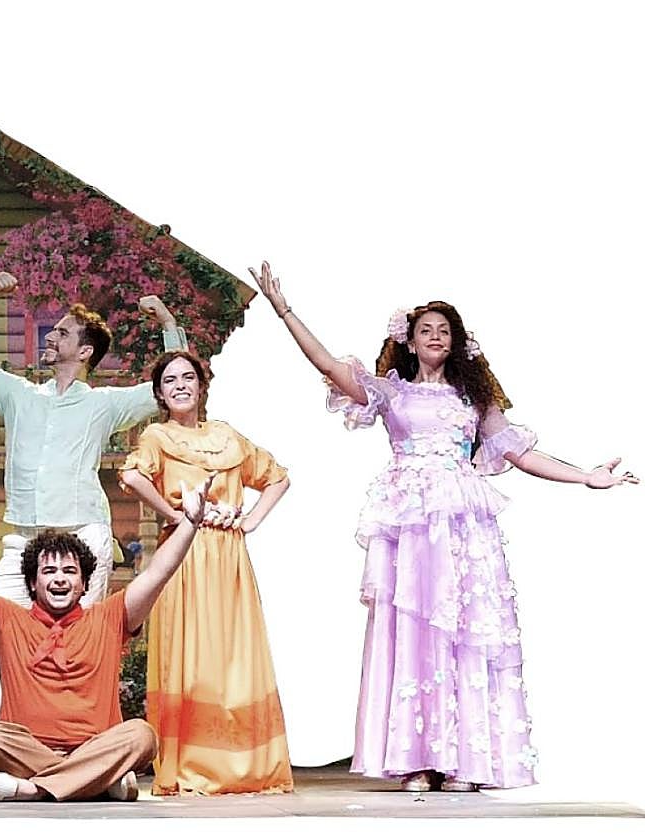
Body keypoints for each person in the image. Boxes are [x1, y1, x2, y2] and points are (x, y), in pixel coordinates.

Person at [253, 261, 638, 791]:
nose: (435, 336)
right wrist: (285, 310)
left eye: (444, 330)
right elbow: (327, 363)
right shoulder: (392, 393)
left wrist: (586, 477)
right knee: (412, 628)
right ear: (409, 343)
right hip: (410, 523)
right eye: (425, 330)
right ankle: (416, 758)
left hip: (462, 525)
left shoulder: (472, 399)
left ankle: (464, 761)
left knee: (465, 628)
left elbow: (521, 453)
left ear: (455, 343)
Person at [0, 270, 188, 720]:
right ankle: (11, 735)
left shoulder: (103, 404)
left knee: (81, 642)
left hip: (83, 536)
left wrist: (169, 323)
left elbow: (168, 388)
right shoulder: (18, 395)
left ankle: (81, 733)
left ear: (85, 351)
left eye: (62, 332)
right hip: (26, 541)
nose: (50, 337)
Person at [0, 473, 213, 802]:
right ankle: (96, 782)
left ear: (84, 584)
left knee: (142, 736)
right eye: (49, 571)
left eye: (70, 572)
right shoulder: (6, 619)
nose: (60, 579)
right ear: (33, 583)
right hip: (30, 750)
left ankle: (34, 788)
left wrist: (190, 523)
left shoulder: (109, 617)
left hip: (95, 746)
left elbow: (158, 573)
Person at [120, 350, 294, 795]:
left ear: (201, 386)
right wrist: (176, 516)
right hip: (184, 555)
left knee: (234, 656)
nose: (180, 385)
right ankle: (192, 763)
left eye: (188, 378)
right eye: (170, 380)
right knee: (193, 655)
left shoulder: (226, 436)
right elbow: (134, 477)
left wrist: (250, 521)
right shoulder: (157, 436)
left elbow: (277, 477)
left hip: (229, 557)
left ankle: (245, 765)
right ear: (160, 394)